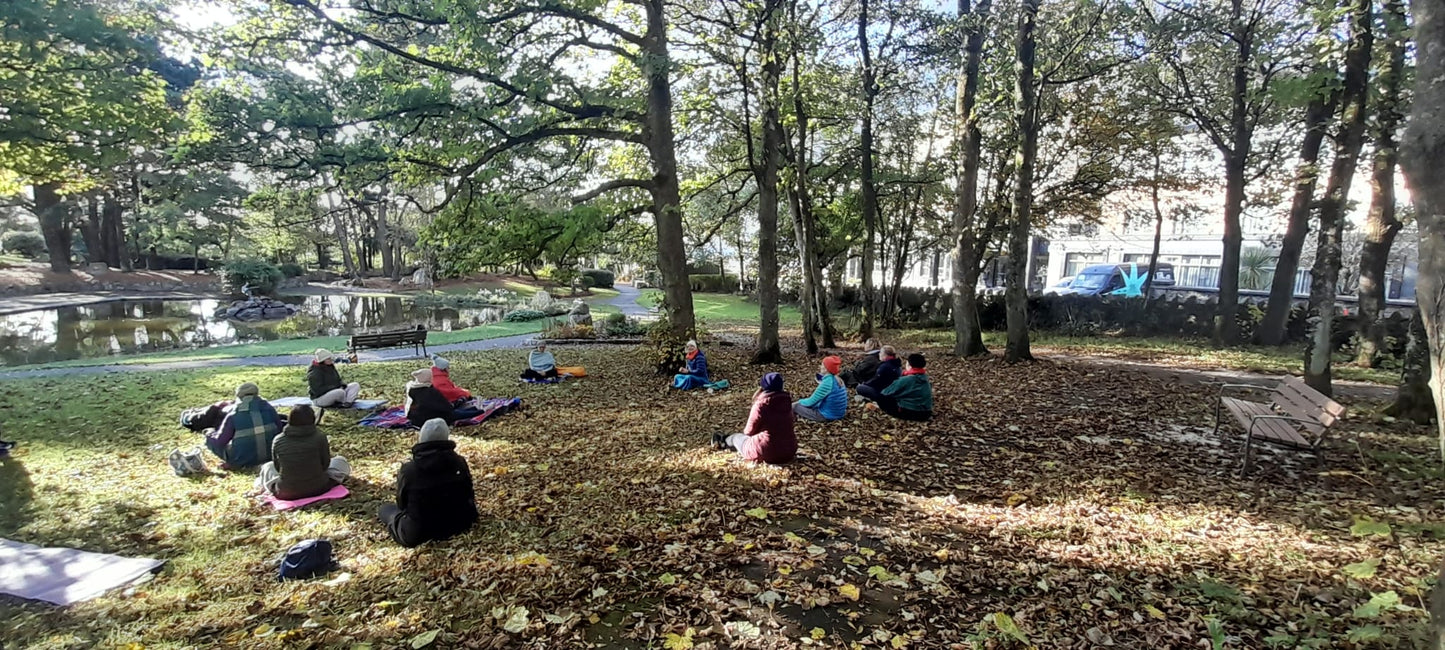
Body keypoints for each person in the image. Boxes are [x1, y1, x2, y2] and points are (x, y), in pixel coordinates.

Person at [379, 418, 479, 547]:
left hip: (419, 532)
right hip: (460, 522)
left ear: (422, 438)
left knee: (385, 509)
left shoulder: (409, 470)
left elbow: (402, 503)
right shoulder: (459, 462)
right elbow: (468, 493)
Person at [257, 405, 350, 500]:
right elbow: (325, 464)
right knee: (340, 461)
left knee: (267, 467)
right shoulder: (319, 436)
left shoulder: (278, 440)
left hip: (286, 492)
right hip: (319, 487)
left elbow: (277, 467)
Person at [714, 372, 797, 464]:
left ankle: (721, 442)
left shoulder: (761, 405)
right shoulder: (787, 401)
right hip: (789, 450)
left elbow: (748, 431)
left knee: (736, 437)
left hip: (767, 452)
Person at [205, 382, 283, 468]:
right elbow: (280, 430)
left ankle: (232, 463)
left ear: (239, 397)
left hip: (241, 460)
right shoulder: (270, 409)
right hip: (270, 456)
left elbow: (220, 442)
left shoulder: (234, 414)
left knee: (211, 440)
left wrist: (209, 434)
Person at [867, 353, 934, 421]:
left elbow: (886, 392)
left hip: (912, 413)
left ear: (909, 365)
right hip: (926, 413)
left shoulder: (906, 379)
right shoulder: (924, 378)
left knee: (880, 397)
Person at [405, 368, 483, 427]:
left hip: (415, 419)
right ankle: (480, 411)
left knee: (457, 411)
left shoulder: (412, 389)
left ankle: (474, 409)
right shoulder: (429, 391)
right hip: (431, 418)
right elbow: (445, 407)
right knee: (456, 413)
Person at [793, 356, 848, 422]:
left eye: (822, 365)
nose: (820, 367)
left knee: (795, 406)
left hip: (827, 416)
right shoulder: (837, 379)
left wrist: (799, 402)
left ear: (826, 369)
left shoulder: (827, 383)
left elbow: (810, 402)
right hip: (839, 413)